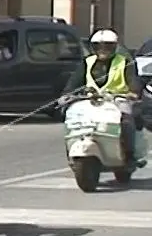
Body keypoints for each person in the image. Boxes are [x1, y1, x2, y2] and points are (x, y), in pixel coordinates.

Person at [61, 28, 143, 162]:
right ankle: (71, 150)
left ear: (115, 47)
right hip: (90, 100)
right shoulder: (87, 61)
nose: (102, 50)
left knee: (126, 121)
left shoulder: (124, 61)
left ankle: (129, 155)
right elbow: (75, 81)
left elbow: (133, 79)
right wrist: (67, 94)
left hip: (117, 100)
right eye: (97, 46)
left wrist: (133, 92)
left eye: (107, 46)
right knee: (71, 119)